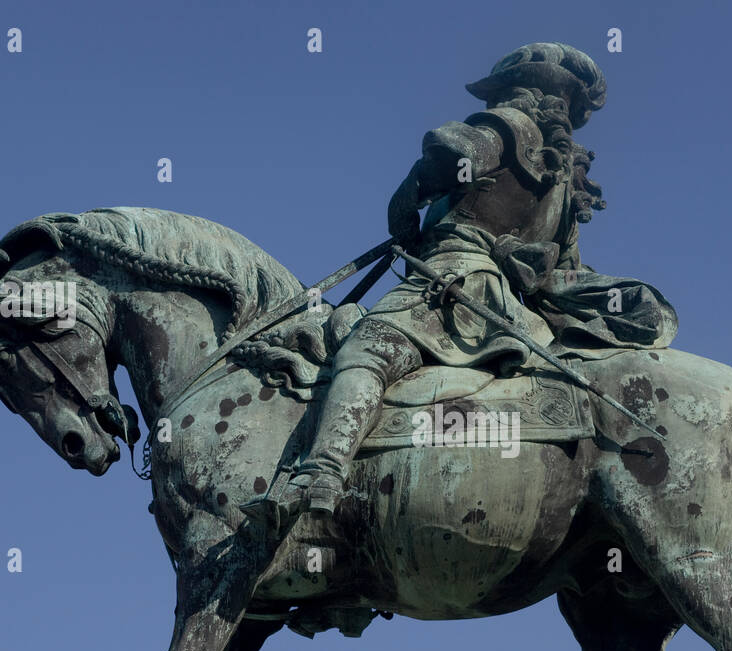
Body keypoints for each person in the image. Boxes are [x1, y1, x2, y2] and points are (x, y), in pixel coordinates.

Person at [243, 42, 677, 527]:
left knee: (366, 350)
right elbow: (565, 270)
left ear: (521, 90)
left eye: (502, 92)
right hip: (512, 307)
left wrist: (409, 198)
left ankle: (319, 475)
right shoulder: (565, 182)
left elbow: (454, 151)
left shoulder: (510, 126)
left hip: (455, 283)